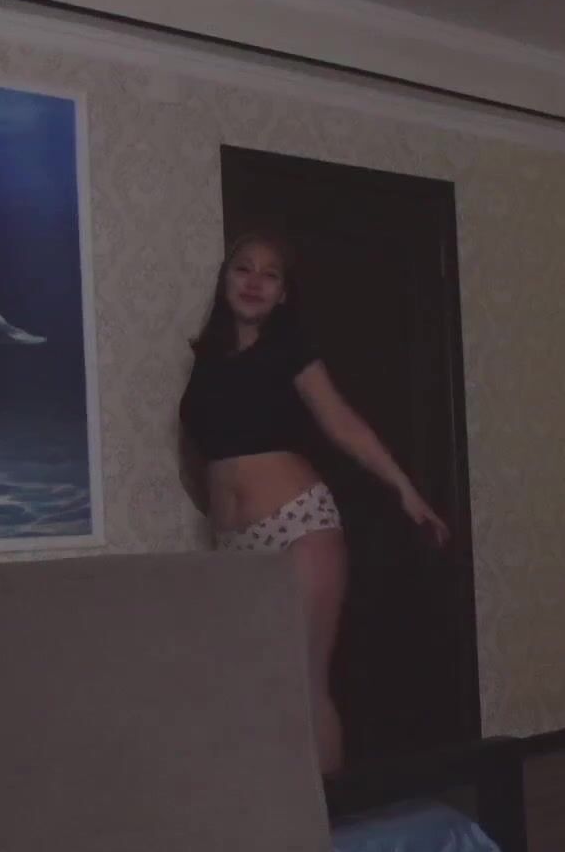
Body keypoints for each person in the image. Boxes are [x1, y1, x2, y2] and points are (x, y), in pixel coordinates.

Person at [177, 230, 450, 774]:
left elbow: (341, 422)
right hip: (234, 544)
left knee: (304, 685)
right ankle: (279, 812)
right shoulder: (205, 361)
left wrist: (405, 489)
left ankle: (329, 819)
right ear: (225, 281)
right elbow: (198, 453)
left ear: (283, 294)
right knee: (254, 684)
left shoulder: (290, 350)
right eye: (243, 268)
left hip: (297, 525)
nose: (254, 281)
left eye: (270, 274)